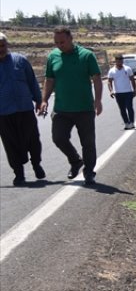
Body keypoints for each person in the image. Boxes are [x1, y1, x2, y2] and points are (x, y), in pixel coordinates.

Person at [40, 27, 103, 186]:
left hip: (84, 109)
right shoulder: (53, 56)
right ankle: (75, 161)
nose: (59, 45)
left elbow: (96, 78)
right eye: (56, 42)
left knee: (88, 143)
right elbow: (49, 80)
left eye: (62, 42)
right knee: (58, 138)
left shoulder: (86, 55)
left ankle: (89, 172)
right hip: (62, 109)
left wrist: (98, 100)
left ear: (70, 38)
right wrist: (44, 100)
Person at [0, 33, 45, 186]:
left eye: (2, 45)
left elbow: (32, 81)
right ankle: (19, 174)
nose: (1, 49)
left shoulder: (20, 60)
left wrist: (39, 101)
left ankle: (36, 164)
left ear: (7, 45)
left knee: (33, 139)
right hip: (4, 113)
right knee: (10, 144)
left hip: (25, 108)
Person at [105, 54, 136, 128]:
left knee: (129, 107)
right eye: (118, 61)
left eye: (121, 60)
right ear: (115, 61)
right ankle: (126, 123)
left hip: (128, 92)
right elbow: (109, 82)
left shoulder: (128, 69)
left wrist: (134, 90)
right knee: (122, 109)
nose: (120, 62)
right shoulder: (112, 71)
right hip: (118, 93)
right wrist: (111, 91)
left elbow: (132, 80)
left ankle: (132, 122)